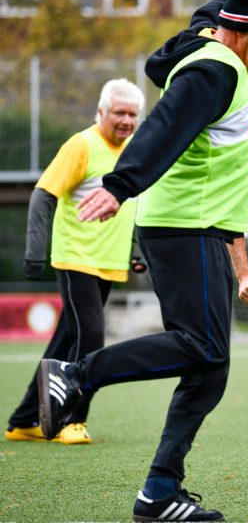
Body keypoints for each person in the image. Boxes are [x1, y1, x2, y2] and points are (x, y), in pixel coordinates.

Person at [36, 0, 248, 521]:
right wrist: (120, 183)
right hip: (186, 226)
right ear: (244, 32)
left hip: (207, 227)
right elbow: (165, 126)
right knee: (200, 345)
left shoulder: (211, 43)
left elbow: (208, 16)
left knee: (211, 366)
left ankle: (158, 492)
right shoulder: (213, 71)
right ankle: (76, 375)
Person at [5, 79, 145, 445]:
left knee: (65, 342)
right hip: (76, 259)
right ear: (101, 112)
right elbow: (42, 195)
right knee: (92, 340)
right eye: (119, 112)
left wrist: (137, 253)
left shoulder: (136, 150)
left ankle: (23, 420)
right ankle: (71, 419)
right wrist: (35, 250)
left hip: (109, 262)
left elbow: (135, 206)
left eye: (132, 114)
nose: (126, 120)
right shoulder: (81, 145)